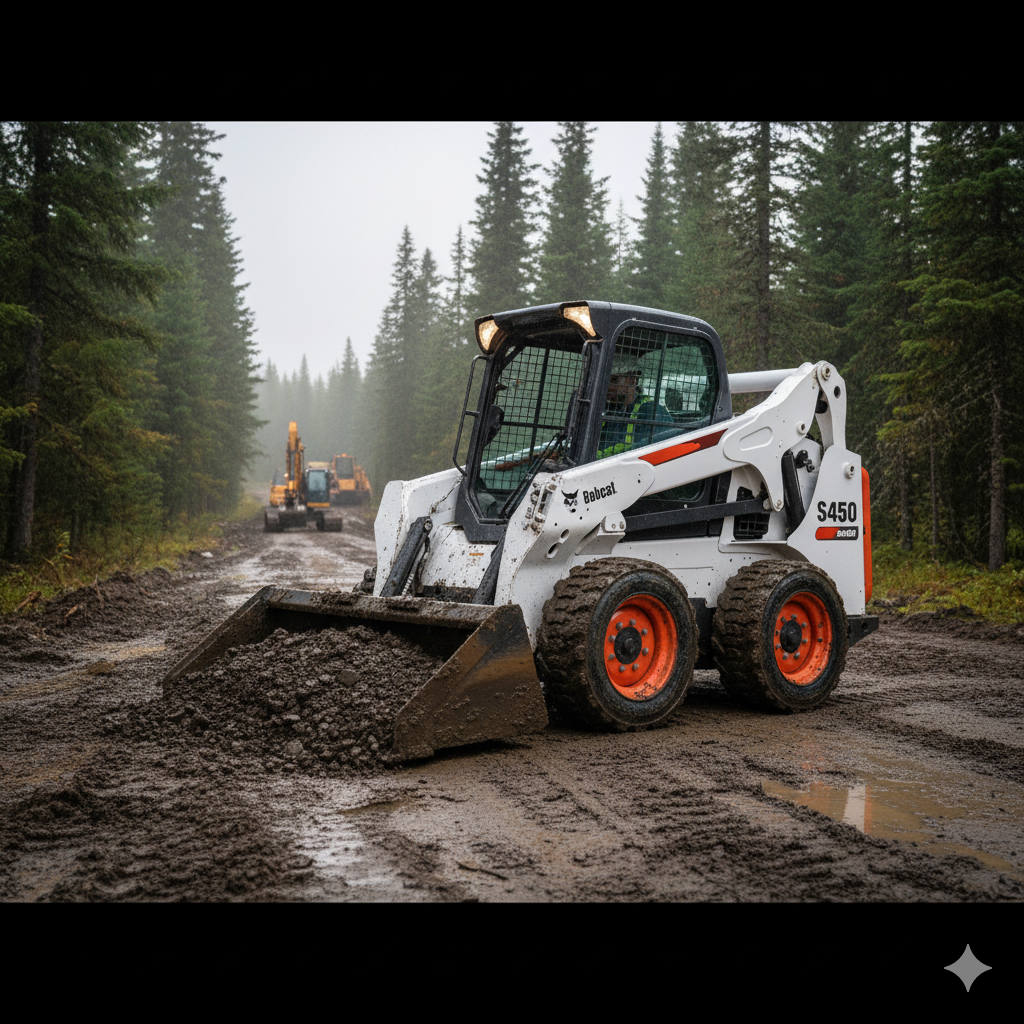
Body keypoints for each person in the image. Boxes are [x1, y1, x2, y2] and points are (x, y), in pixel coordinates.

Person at [597, 353, 678, 459]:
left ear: (632, 380)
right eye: (606, 381)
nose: (609, 386)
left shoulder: (651, 412)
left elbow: (664, 454)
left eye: (614, 380)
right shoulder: (609, 411)